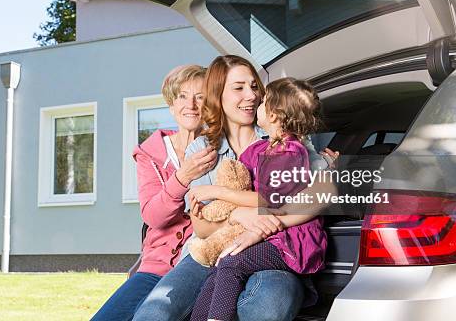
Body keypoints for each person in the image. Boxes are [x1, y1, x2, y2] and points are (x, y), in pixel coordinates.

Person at [132, 56, 338, 321]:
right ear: (218, 95)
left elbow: (323, 193)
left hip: (273, 249)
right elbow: (202, 227)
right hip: (211, 252)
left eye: (254, 87)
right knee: (153, 314)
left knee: (266, 306)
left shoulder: (282, 134)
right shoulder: (203, 150)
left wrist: (264, 218)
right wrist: (236, 215)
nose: (251, 95)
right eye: (239, 88)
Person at [189, 77, 328, 321]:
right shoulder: (260, 150)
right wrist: (213, 207)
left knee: (231, 262)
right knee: (219, 267)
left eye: (263, 101)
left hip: (290, 242)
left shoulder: (290, 153)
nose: (257, 104)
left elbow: (267, 200)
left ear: (273, 115)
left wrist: (216, 193)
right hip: (270, 235)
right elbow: (238, 179)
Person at [90, 65, 216, 321]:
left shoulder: (219, 149)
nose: (191, 104)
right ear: (171, 105)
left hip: (200, 264)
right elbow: (153, 216)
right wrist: (182, 177)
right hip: (155, 269)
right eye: (182, 96)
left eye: (200, 96)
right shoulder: (151, 153)